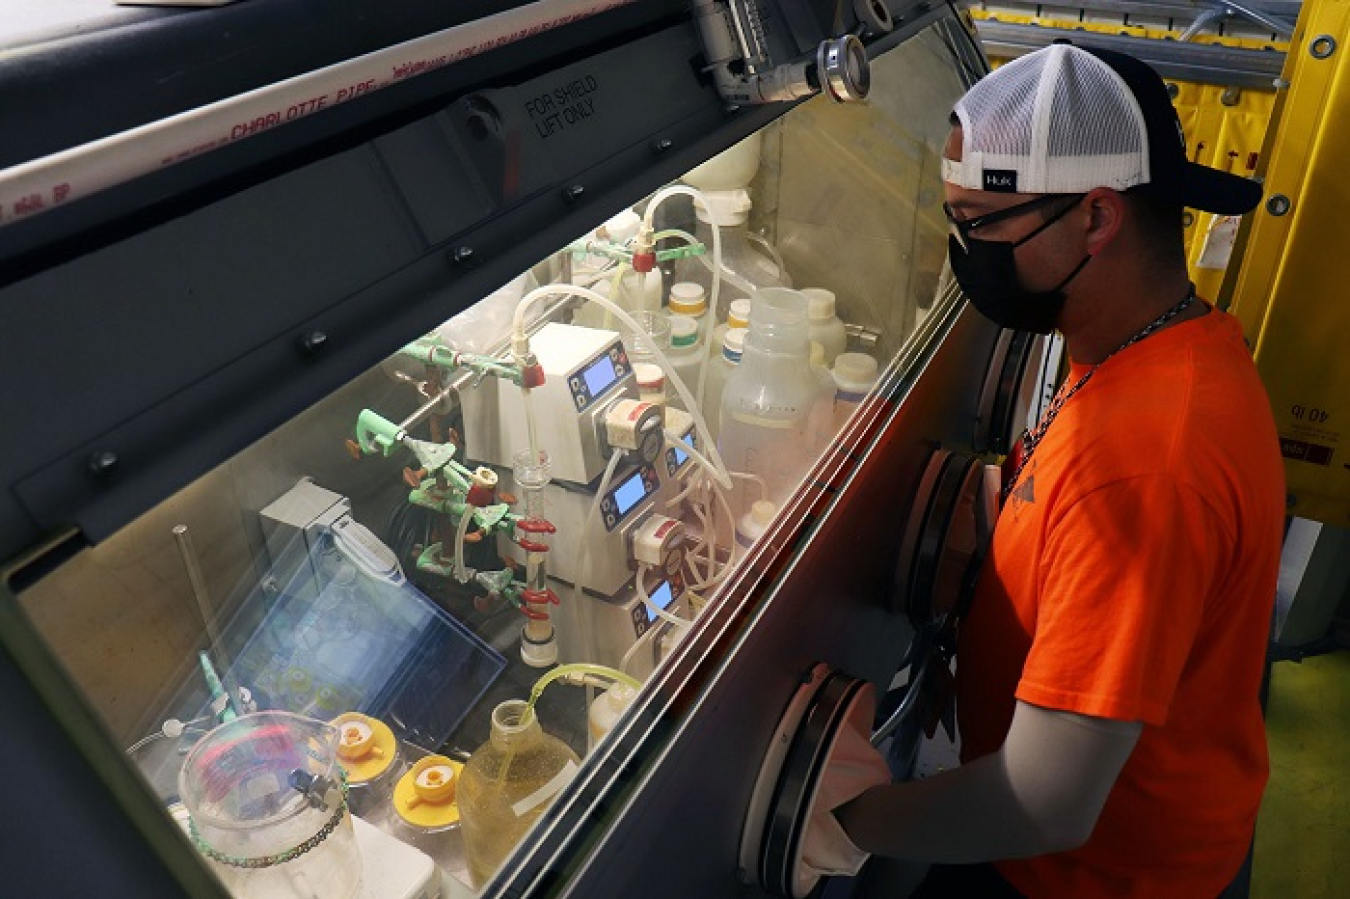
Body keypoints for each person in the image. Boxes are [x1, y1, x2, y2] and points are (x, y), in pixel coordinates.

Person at [831, 41, 1287, 898]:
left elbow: (1044, 802)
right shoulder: (1154, 348)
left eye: (983, 225)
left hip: (1096, 874)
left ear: (1098, 218)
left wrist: (832, 821)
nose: (964, 251)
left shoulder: (1148, 463)